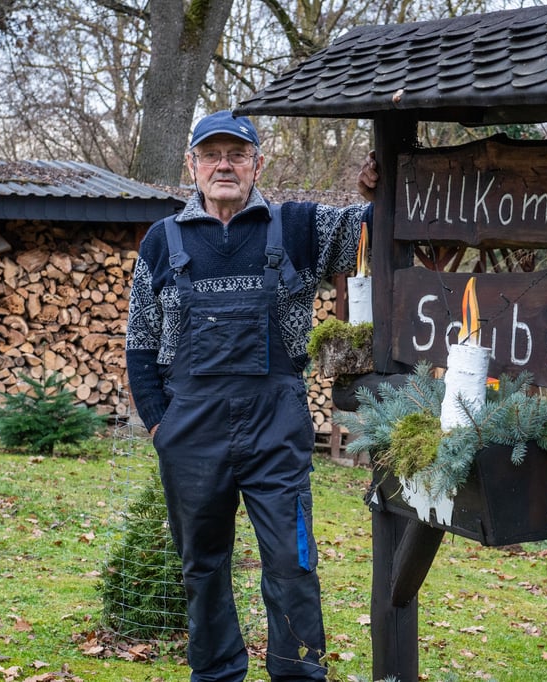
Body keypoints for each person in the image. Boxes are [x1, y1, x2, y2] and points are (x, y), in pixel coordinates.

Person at [125, 109, 377, 682]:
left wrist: (372, 188)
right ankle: (215, 674)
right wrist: (160, 425)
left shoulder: (298, 227)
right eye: (211, 154)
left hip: (275, 430)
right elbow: (139, 342)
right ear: (191, 165)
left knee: (292, 563)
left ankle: (297, 674)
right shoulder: (162, 242)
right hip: (189, 433)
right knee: (202, 567)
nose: (224, 165)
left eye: (236, 155)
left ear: (257, 164)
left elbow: (375, 230)